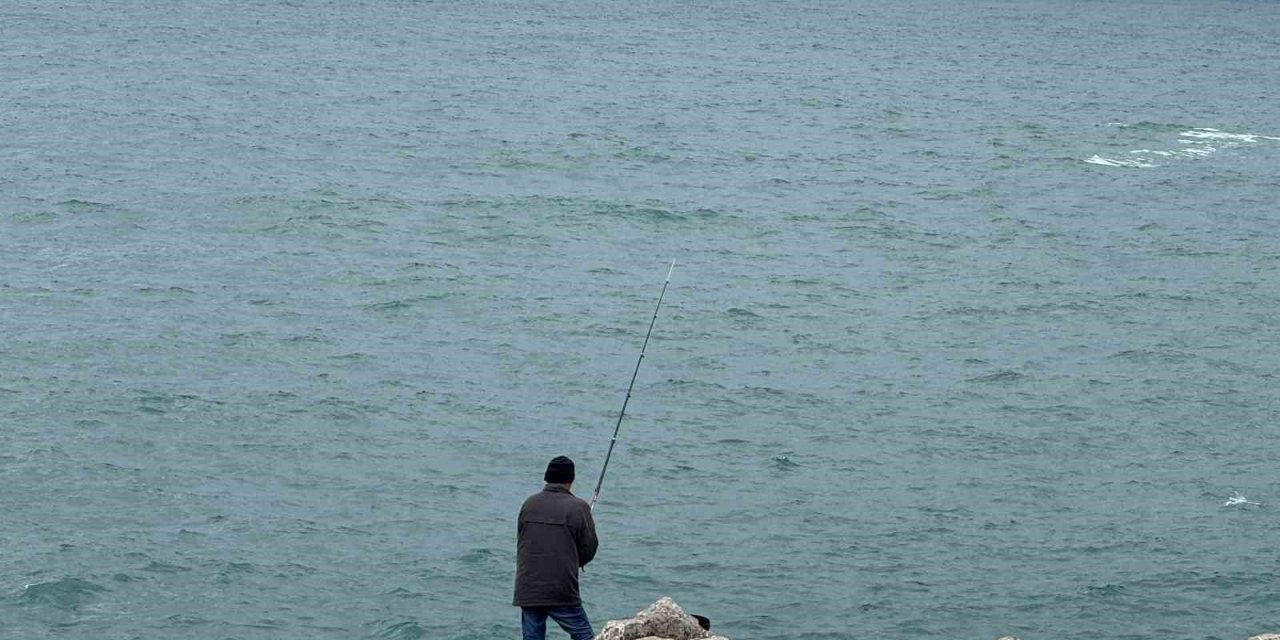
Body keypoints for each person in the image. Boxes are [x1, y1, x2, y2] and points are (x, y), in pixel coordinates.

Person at [513, 456, 599, 640]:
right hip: (560, 588)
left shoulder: (528, 504)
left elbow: (522, 540)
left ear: (547, 477)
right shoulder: (579, 507)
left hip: (528, 587)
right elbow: (589, 548)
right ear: (571, 479)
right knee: (583, 635)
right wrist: (575, 560)